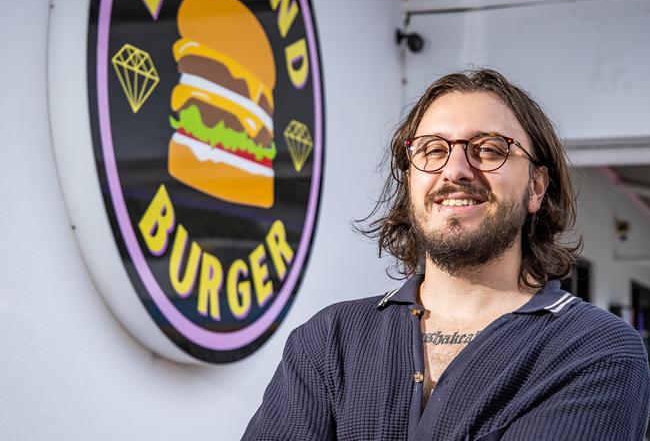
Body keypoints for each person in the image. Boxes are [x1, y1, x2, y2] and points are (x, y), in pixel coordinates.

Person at [242, 68, 650, 440]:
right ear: (410, 180)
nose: (455, 170)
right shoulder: (330, 339)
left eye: (490, 149)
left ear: (537, 188)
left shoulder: (596, 349)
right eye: (433, 150)